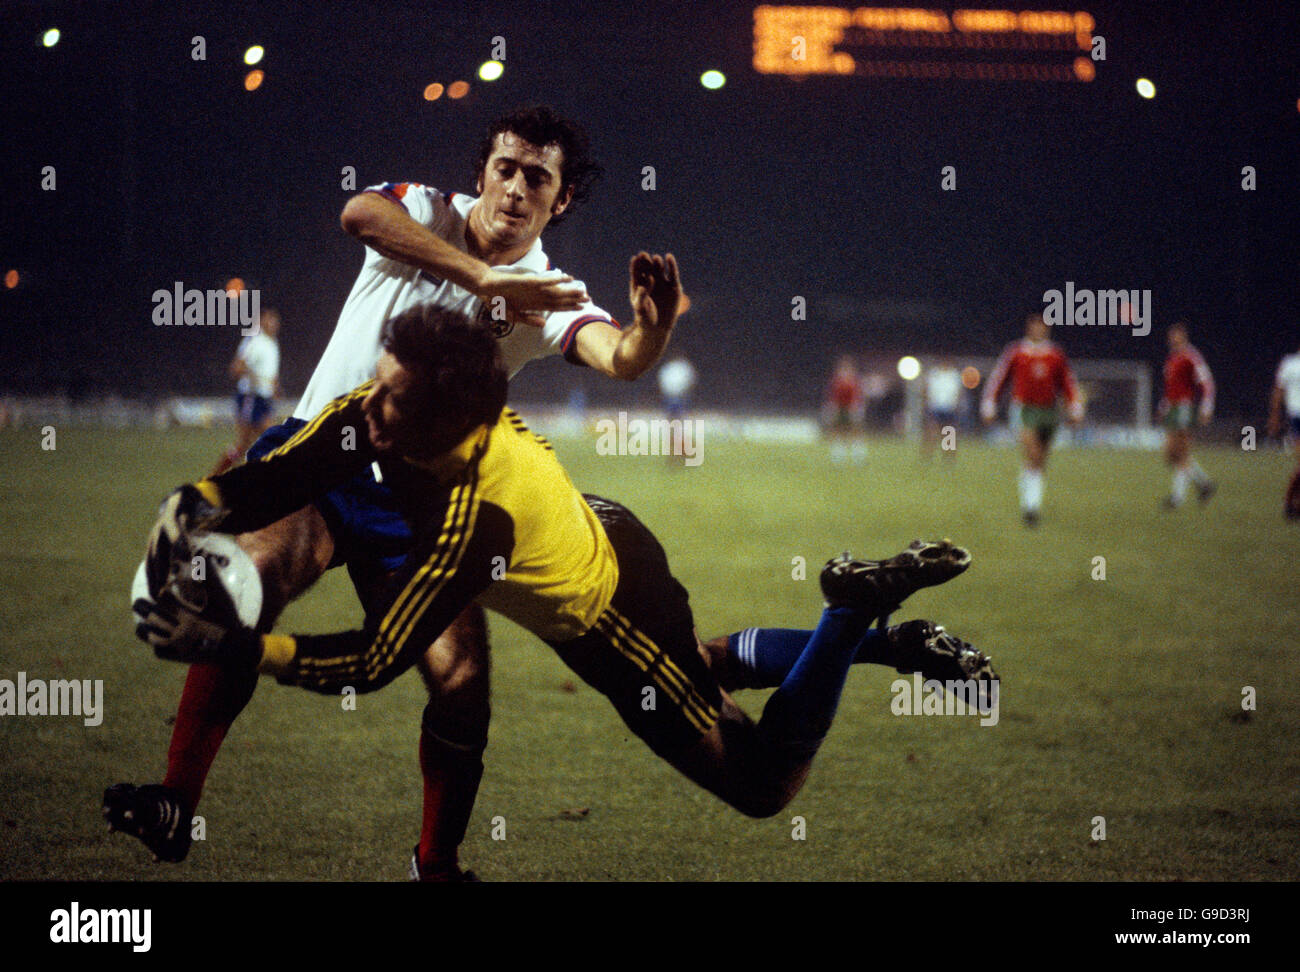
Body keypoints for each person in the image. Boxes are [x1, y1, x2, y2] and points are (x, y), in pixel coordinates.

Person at [125, 305, 997, 878]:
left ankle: (846, 618)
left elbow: (377, 658)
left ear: (443, 427)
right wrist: (194, 506)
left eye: (391, 401)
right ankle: (888, 641)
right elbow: (288, 472)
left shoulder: (476, 523)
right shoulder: (391, 413)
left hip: (615, 614)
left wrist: (245, 647)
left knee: (762, 785)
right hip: (597, 528)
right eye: (378, 385)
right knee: (707, 663)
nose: (369, 410)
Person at [105, 106, 681, 879]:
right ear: (482, 171)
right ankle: (175, 800)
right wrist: (480, 277)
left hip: (416, 497)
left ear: (561, 198)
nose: (514, 189)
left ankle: (433, 865)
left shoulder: (551, 290)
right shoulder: (426, 209)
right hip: (322, 451)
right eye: (504, 169)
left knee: (461, 679)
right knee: (253, 585)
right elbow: (357, 213)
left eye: (536, 178)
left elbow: (619, 356)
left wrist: (652, 332)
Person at [980, 313, 1083, 526]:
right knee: (1033, 453)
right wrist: (989, 404)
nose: (1038, 330)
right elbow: (999, 379)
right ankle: (1031, 508)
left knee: (1039, 460)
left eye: (1042, 327)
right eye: (1035, 327)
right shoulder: (1016, 352)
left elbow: (1067, 383)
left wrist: (1075, 407)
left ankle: (1030, 499)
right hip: (1024, 409)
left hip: (1049, 410)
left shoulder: (1055, 354)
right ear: (1029, 329)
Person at [210, 309, 282, 477]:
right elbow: (237, 367)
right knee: (254, 443)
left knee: (256, 443)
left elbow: (270, 373)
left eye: (276, 321)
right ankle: (214, 478)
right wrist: (255, 378)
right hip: (251, 398)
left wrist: (275, 387)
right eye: (270, 320)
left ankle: (222, 478)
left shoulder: (273, 343)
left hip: (264, 400)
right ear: (261, 321)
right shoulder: (254, 341)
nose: (274, 324)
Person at [1158, 322, 1216, 509]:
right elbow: (1170, 388)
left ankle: (1177, 498)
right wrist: (1164, 406)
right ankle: (1204, 484)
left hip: (1185, 407)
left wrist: (1207, 407)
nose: (1174, 339)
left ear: (1184, 337)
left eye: (1178, 335)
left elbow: (1207, 383)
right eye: (1172, 335)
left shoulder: (1191, 356)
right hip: (1173, 408)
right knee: (1171, 454)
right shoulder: (1171, 359)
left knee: (1180, 452)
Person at [1266, 340, 1300, 519]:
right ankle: (1289, 503)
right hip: (1297, 417)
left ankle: (1292, 505)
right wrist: (1274, 416)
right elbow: (1278, 390)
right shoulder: (1290, 363)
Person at [823, 355, 866, 463]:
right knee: (838, 430)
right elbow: (832, 396)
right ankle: (838, 455)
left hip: (852, 408)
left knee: (855, 431)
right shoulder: (836, 381)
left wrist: (857, 407)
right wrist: (832, 408)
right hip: (840, 408)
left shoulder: (854, 381)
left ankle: (858, 455)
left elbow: (858, 395)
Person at [923, 358, 963, 459]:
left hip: (950, 407)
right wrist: (927, 403)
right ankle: (928, 455)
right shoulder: (934, 374)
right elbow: (926, 389)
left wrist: (957, 405)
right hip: (935, 406)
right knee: (932, 431)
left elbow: (958, 392)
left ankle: (948, 457)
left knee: (948, 433)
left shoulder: (954, 375)